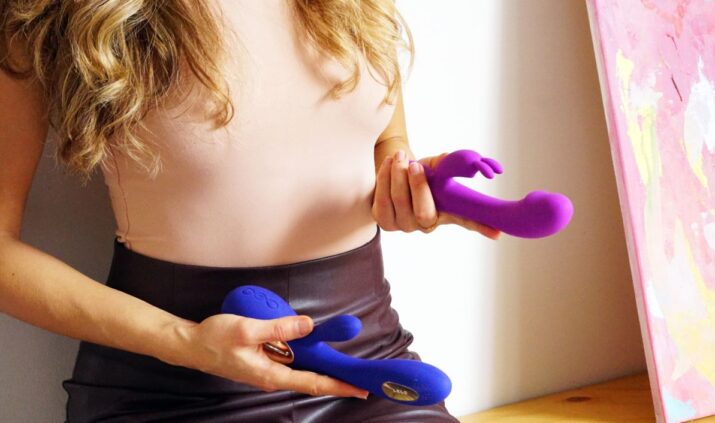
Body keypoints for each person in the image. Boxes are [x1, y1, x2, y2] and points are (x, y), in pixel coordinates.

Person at [0, 1, 499, 421]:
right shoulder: (46, 10)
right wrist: (184, 340)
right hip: (174, 386)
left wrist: (410, 189)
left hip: (364, 361)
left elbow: (385, 143)